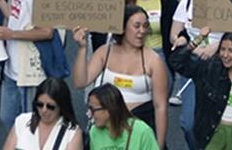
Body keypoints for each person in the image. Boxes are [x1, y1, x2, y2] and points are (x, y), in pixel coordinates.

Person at [69, 8, 169, 145]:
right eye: (136, 26)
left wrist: (159, 145)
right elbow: (80, 82)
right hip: (106, 129)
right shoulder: (105, 52)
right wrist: (82, 48)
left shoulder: (153, 60)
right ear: (122, 28)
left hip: (138, 131)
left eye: (145, 26)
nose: (142, 31)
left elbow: (160, 106)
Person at [79, 84, 156, 150]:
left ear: (109, 109)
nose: (89, 114)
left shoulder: (142, 131)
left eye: (93, 109)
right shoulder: (94, 132)